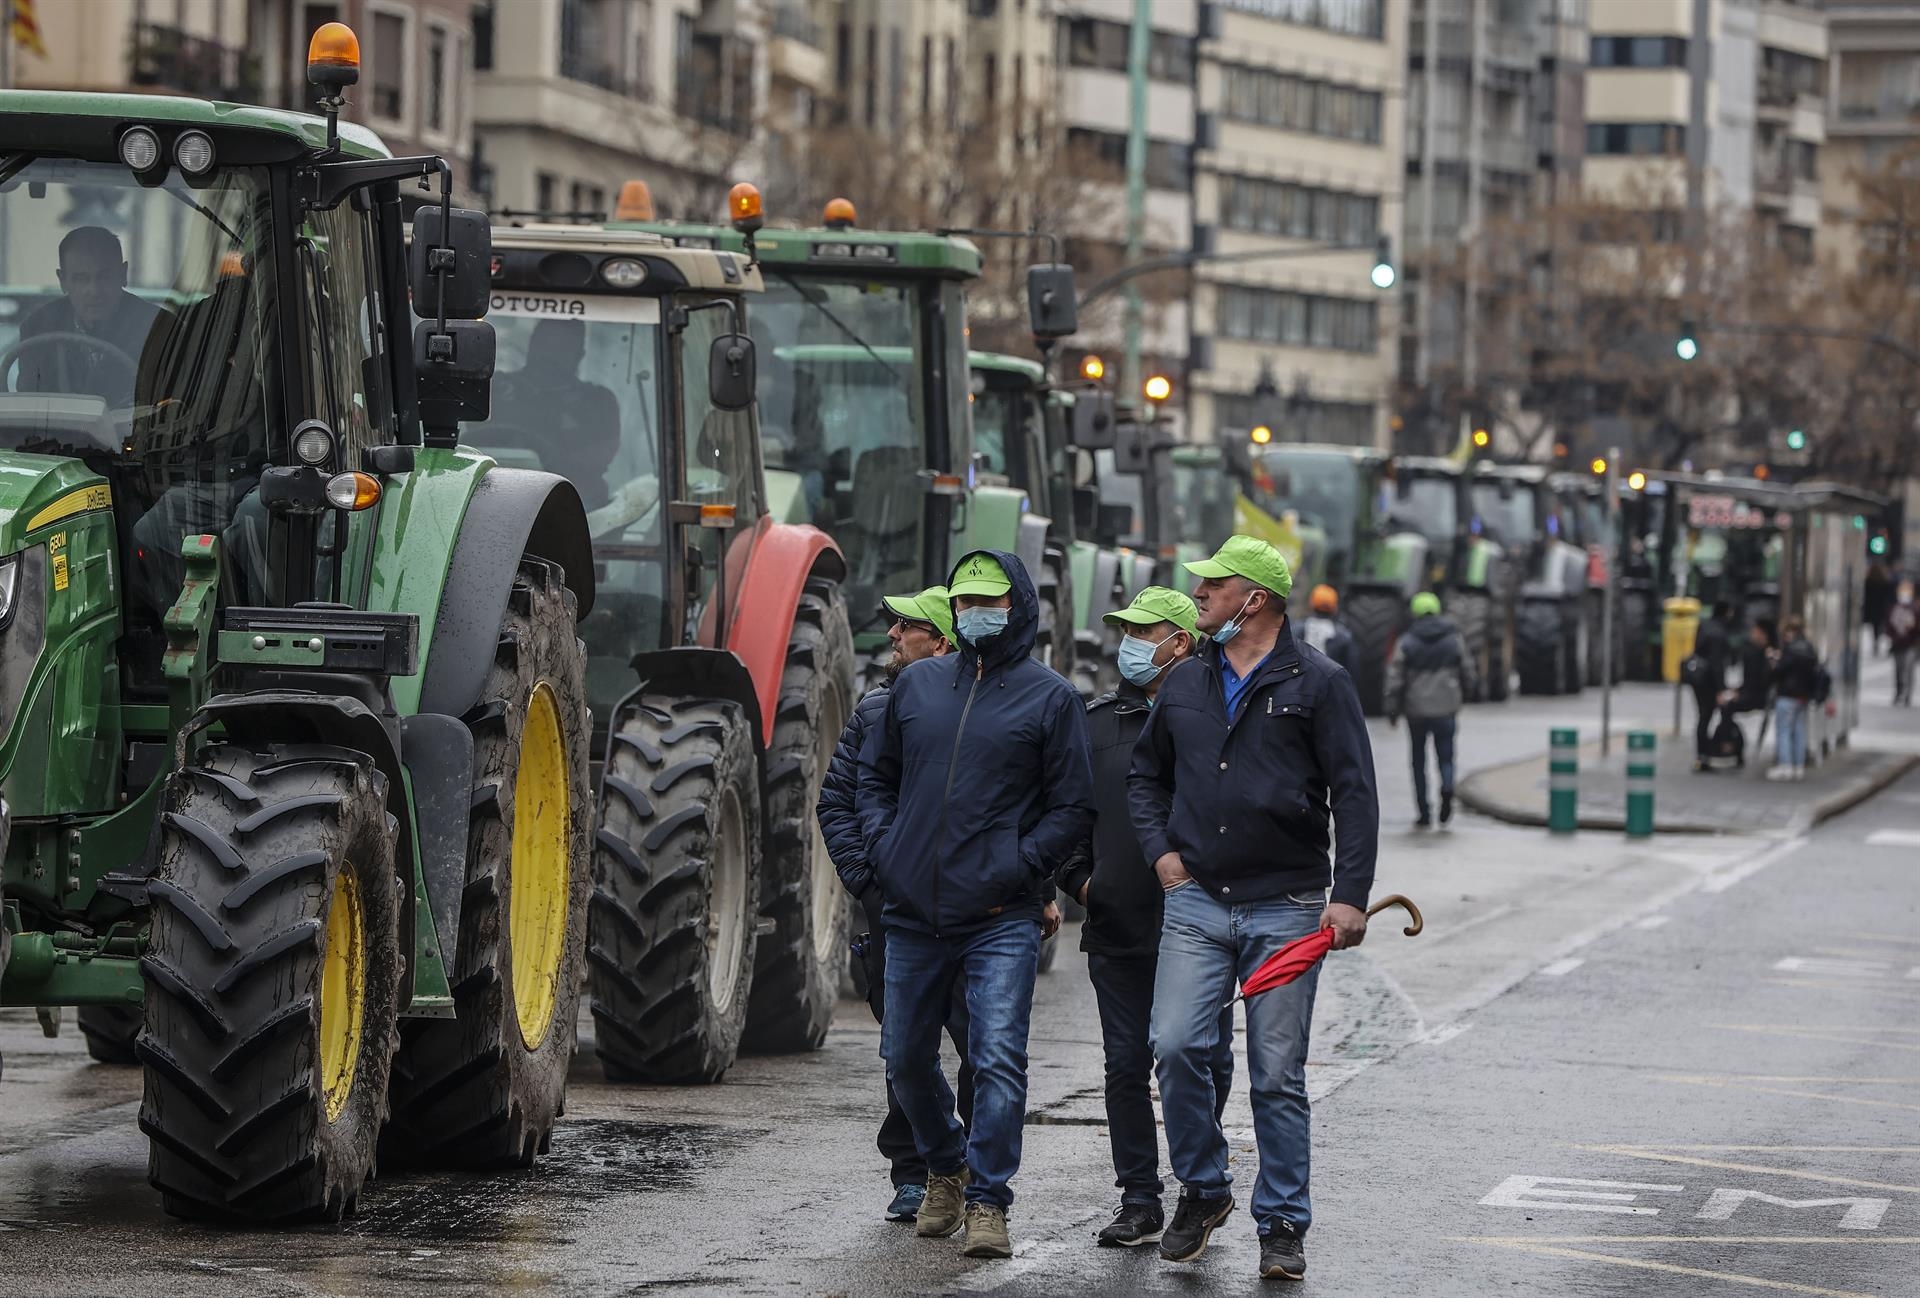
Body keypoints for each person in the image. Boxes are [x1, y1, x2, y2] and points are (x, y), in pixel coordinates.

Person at [1129, 535, 1379, 1283]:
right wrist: (1162, 855)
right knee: (1174, 1046)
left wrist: (1350, 898)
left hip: (1289, 906)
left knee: (1276, 1072)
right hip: (1198, 900)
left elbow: (1356, 794)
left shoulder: (1321, 683)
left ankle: (1282, 1224)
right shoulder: (1183, 681)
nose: (1199, 593)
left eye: (1215, 583)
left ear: (1256, 600)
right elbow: (1146, 779)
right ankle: (1203, 1190)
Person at [857, 549, 1094, 1259]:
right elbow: (876, 781)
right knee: (903, 1058)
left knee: (997, 1059)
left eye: (987, 601)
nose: (972, 612)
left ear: (1017, 605)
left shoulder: (1051, 697)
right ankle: (945, 1166)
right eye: (962, 602)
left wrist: (1016, 868)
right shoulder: (918, 687)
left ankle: (990, 1201)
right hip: (913, 915)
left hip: (999, 919)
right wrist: (888, 851)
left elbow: (1072, 806)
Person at [1057, 587, 1234, 1250]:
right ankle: (1139, 1198)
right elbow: (1067, 811)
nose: (1127, 642)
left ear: (1181, 642)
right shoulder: (1098, 722)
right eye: (1125, 629)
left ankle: (1200, 1185)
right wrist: (1080, 882)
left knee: (1202, 1057)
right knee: (1126, 1064)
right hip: (1118, 927)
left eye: (1143, 630)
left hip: (1203, 929)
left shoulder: (1218, 717)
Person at [817, 586, 977, 1223]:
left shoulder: (981, 714)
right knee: (904, 1051)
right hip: (895, 911)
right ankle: (917, 1171)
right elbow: (839, 802)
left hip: (972, 913)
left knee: (979, 1050)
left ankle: (971, 1168)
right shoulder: (875, 712)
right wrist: (871, 881)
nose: (891, 636)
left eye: (906, 627)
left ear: (939, 642)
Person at [17, 226, 172, 405]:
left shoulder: (159, 328)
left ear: (123, 274)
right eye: (81, 279)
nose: (94, 291)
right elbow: (28, 402)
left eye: (105, 277)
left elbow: (170, 408)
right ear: (63, 280)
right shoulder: (37, 328)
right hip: (55, 433)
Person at [487, 319, 624, 511]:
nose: (548, 355)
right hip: (492, 500)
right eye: (545, 344)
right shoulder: (494, 390)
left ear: (579, 355)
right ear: (532, 344)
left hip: (575, 508)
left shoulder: (597, 403)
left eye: (560, 348)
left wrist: (552, 458)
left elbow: (599, 456)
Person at [1384, 591, 1477, 826]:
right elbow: (1467, 670)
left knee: (1418, 761)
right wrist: (1465, 695)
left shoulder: (1407, 641)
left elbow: (1395, 678)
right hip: (1446, 708)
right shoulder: (1454, 638)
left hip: (1416, 711)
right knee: (1446, 757)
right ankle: (1447, 788)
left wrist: (1392, 710)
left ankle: (1424, 812)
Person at [1770, 614, 1820, 782]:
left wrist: (1774, 662)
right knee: (1799, 730)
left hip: (1787, 694)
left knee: (1783, 730)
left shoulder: (1790, 649)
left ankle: (1785, 765)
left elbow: (1779, 671)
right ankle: (1799, 766)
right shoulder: (1809, 648)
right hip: (1803, 696)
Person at [1689, 601, 1735, 773]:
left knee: (1702, 717)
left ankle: (1702, 756)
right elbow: (1717, 664)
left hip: (1698, 680)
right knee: (1709, 717)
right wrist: (1721, 689)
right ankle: (1708, 755)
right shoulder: (1719, 633)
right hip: (1710, 683)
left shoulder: (1704, 625)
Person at [1296, 583, 1354, 674]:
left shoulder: (1296, 630)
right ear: (1335, 607)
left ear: (1311, 604)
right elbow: (1351, 669)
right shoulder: (1343, 636)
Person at [1889, 579, 1917, 707]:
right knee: (1899, 670)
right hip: (1897, 644)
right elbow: (1889, 625)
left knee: (1908, 670)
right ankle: (1899, 692)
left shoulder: (1915, 609)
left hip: (1911, 645)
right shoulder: (1894, 608)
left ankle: (1907, 695)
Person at [1865, 561, 1894, 657]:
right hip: (1882, 608)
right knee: (1879, 626)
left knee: (1875, 626)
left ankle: (1876, 640)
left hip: (1873, 608)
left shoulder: (1869, 581)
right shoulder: (1884, 581)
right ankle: (1878, 639)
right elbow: (1890, 595)